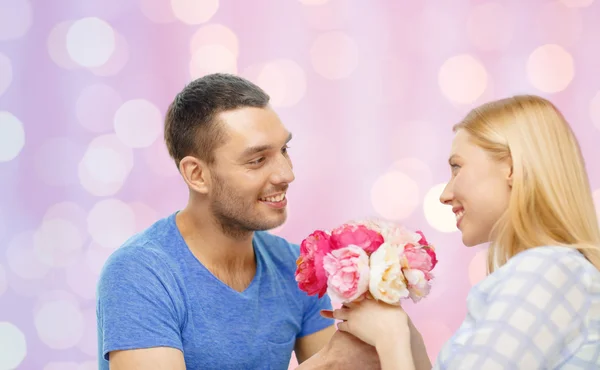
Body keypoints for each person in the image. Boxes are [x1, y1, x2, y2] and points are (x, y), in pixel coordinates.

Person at [95, 73, 380, 369]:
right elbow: (330, 363)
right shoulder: (140, 273)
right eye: (257, 160)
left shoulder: (294, 267)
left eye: (284, 150)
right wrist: (326, 363)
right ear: (197, 174)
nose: (286, 174)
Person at [330, 95, 600, 369]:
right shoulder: (551, 274)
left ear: (512, 167)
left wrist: (391, 338)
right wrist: (407, 336)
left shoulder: (546, 271)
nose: (445, 195)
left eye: (457, 168)